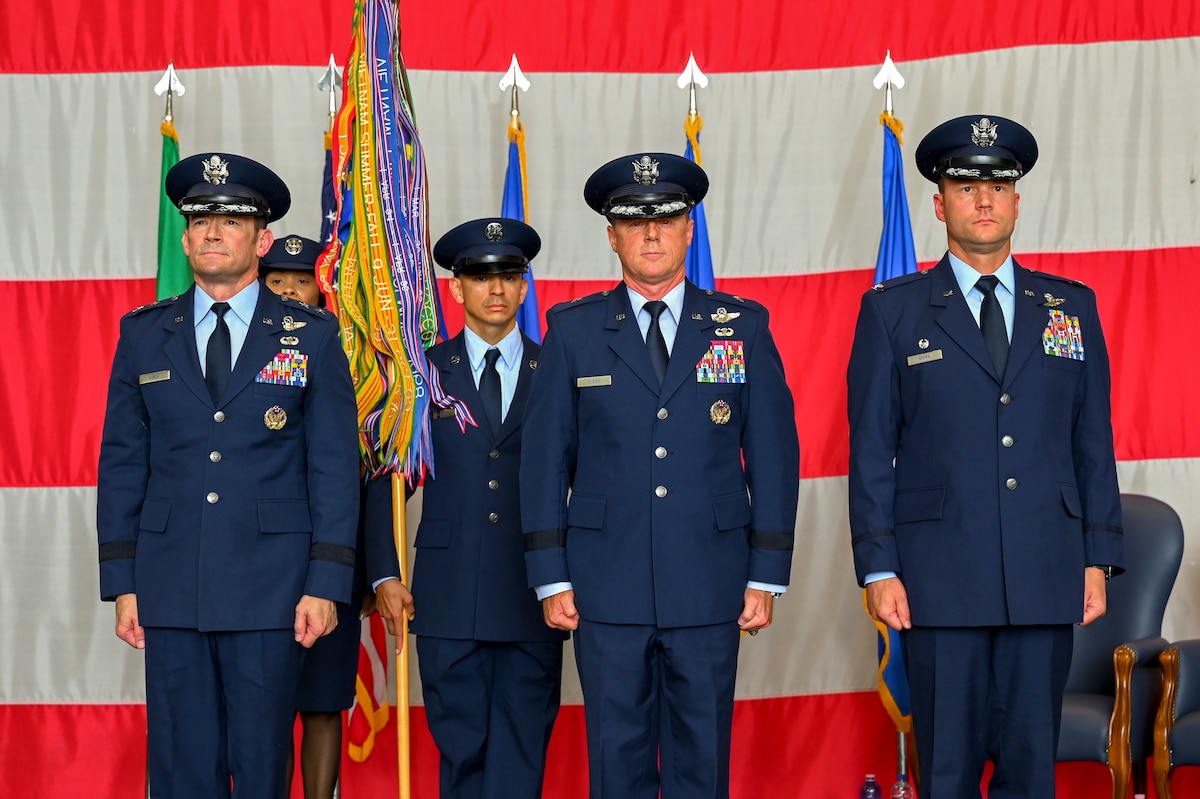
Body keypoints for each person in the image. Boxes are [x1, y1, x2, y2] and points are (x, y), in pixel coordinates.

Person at [847, 115, 1124, 797]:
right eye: (966, 186)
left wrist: (1096, 557)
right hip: (938, 581)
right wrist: (879, 567)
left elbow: (1092, 442)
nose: (983, 200)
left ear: (1017, 202)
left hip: (1044, 572)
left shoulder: (1070, 309)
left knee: (1031, 774)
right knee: (947, 773)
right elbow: (872, 450)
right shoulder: (892, 313)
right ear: (939, 204)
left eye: (997, 186)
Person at [520, 153, 799, 799]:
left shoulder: (742, 327)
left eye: (666, 219)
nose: (651, 234)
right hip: (603, 585)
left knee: (702, 764)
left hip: (711, 582)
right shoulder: (573, 331)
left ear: (689, 229)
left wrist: (766, 575)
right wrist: (550, 576)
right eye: (633, 222)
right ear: (611, 235)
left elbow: (774, 456)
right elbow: (543, 462)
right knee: (616, 767)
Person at [96, 153, 361, 798]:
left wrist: (325, 585)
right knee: (181, 771)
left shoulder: (311, 336)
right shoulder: (143, 335)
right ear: (186, 239)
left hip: (273, 590)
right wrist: (123, 582)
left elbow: (333, 468)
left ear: (262, 242)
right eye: (201, 220)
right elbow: (123, 464)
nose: (213, 231)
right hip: (170, 585)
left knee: (262, 766)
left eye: (232, 220)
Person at [389, 217, 566, 799]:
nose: (496, 288)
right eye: (481, 277)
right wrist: (385, 573)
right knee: (461, 758)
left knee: (521, 756)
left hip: (532, 592)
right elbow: (386, 484)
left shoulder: (558, 369)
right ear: (456, 288)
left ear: (524, 287)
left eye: (509, 276)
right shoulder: (421, 375)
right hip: (448, 595)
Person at [258, 233, 356, 799]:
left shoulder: (337, 352)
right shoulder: (234, 350)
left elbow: (354, 478)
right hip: (256, 567)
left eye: (303, 280)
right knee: (256, 714)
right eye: (277, 280)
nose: (291, 290)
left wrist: (370, 573)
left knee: (321, 701)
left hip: (324, 567)